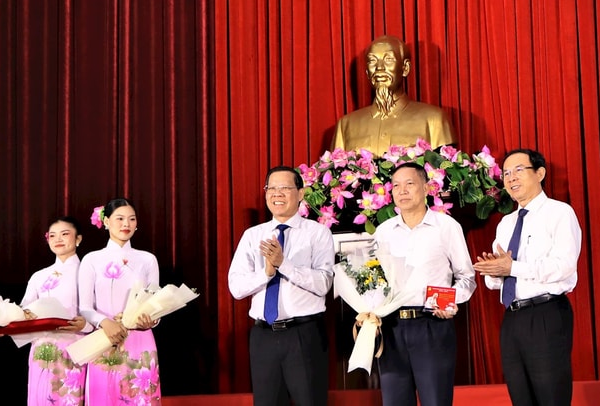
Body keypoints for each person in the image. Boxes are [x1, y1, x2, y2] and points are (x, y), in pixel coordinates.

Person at [358, 162, 476, 406]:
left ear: (426, 187)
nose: (402, 191)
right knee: (395, 400)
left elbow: (466, 278)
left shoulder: (447, 227)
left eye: (409, 184)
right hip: (390, 328)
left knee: (436, 400)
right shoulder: (383, 231)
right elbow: (376, 281)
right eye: (396, 186)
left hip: (431, 324)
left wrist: (450, 301)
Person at [474, 148, 581, 406]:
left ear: (540, 173)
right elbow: (496, 281)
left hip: (546, 313)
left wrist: (512, 268)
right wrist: (493, 270)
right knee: (520, 397)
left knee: (550, 396)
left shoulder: (559, 213)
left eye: (519, 170)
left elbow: (563, 266)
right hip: (512, 317)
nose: (511, 179)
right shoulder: (506, 223)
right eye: (506, 174)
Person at [228, 165, 335, 406]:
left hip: (304, 334)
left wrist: (283, 265)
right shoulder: (253, 235)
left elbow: (323, 283)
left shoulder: (318, 234)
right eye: (271, 188)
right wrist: (266, 272)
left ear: (300, 193)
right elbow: (236, 287)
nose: (277, 194)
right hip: (263, 335)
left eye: (285, 188)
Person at [79, 198, 162, 405]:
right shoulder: (91, 259)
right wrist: (105, 322)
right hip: (104, 337)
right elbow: (85, 308)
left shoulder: (147, 259)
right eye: (120, 219)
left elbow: (155, 303)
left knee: (141, 398)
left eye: (131, 219)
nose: (126, 224)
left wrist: (151, 320)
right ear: (106, 222)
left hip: (139, 338)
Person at [331, 36, 455, 153]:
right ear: (367, 72)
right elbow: (333, 172)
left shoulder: (434, 120)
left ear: (405, 68)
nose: (379, 68)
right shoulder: (346, 124)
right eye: (372, 60)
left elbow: (447, 169)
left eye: (388, 59)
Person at [19, 216, 88, 405]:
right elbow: (24, 310)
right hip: (42, 348)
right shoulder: (38, 276)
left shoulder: (88, 272)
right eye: (53, 235)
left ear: (78, 239)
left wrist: (86, 324)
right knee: (41, 397)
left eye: (65, 234)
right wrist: (0, 322)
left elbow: (102, 310)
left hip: (75, 345)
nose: (58, 239)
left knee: (70, 398)